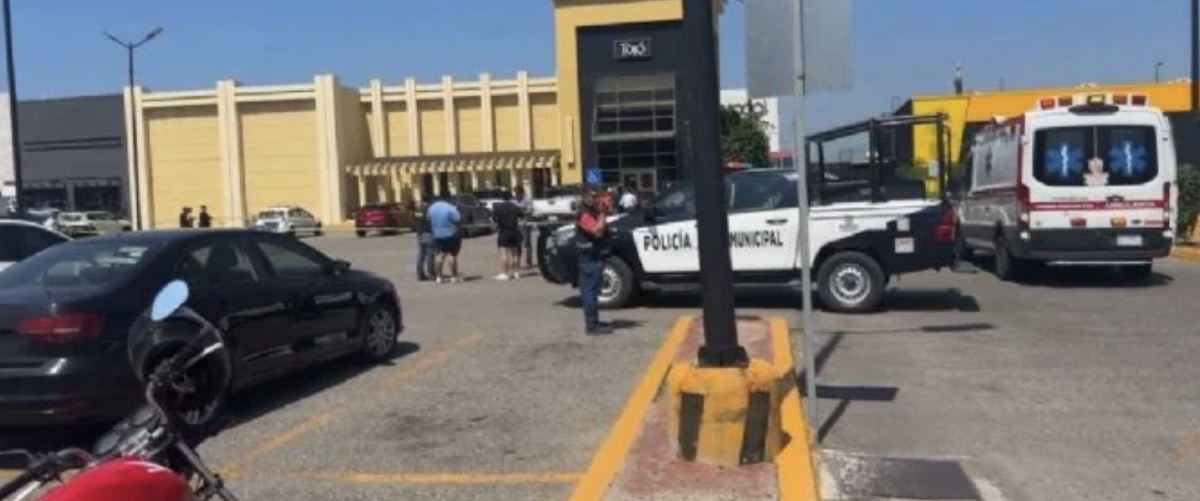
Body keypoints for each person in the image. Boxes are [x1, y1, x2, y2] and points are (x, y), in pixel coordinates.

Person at [575, 186, 612, 335]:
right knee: (590, 293)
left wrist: (603, 211)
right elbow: (596, 231)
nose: (596, 199)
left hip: (594, 255)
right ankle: (591, 326)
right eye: (593, 196)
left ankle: (594, 321)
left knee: (594, 291)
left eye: (597, 196)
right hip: (588, 258)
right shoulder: (583, 213)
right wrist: (602, 214)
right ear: (585, 197)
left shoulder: (592, 210)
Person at [427, 194, 462, 284]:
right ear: (448, 198)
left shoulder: (432, 208)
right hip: (451, 234)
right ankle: (453, 277)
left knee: (439, 255)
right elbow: (458, 219)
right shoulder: (451, 208)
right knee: (452, 255)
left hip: (436, 234)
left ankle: (439, 277)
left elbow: (428, 219)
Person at [491, 191, 523, 280]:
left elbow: (494, 219)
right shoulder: (516, 207)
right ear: (511, 197)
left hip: (503, 232)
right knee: (515, 254)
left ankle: (505, 273)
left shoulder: (498, 208)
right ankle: (516, 273)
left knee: (504, 254)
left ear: (502, 198)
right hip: (514, 232)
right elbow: (522, 216)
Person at [415, 199, 436, 281]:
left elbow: (416, 221)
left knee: (421, 255)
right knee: (430, 255)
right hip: (428, 233)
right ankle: (431, 273)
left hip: (419, 234)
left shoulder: (418, 210)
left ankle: (420, 274)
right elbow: (431, 222)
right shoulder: (429, 210)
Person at [514, 186, 534, 269]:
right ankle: (517, 262)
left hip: (526, 224)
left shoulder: (528, 199)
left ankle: (528, 262)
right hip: (517, 224)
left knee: (527, 243)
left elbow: (530, 210)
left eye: (518, 193)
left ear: (522, 192)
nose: (516, 195)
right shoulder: (515, 200)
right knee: (517, 244)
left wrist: (521, 210)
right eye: (515, 193)